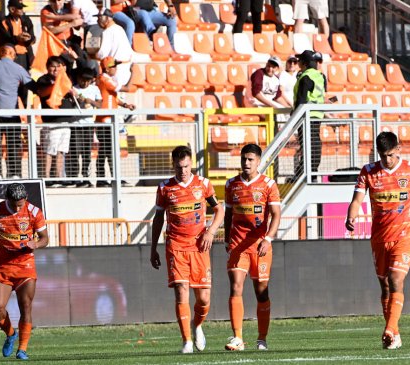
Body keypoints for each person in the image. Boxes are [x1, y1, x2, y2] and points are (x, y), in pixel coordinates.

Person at [345, 131, 410, 350]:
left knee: (395, 279)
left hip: (405, 236)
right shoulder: (368, 172)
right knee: (385, 288)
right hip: (379, 239)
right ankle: (395, 334)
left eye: (390, 155)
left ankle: (389, 329)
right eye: (383, 156)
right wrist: (350, 216)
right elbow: (357, 199)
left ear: (398, 150)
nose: (387, 160)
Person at [150, 145, 224, 353]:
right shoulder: (165, 188)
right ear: (172, 164)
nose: (183, 171)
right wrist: (153, 248)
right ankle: (187, 341)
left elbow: (219, 210)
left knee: (203, 298)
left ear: (191, 163)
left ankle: (197, 325)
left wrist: (210, 232)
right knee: (181, 292)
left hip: (199, 245)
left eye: (186, 166)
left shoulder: (204, 185)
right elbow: (158, 219)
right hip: (175, 245)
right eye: (179, 167)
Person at [0, 183, 49, 360]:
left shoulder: (34, 212)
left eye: (21, 203)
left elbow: (46, 238)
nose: (19, 207)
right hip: (2, 267)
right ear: (7, 199)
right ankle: (10, 334)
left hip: (25, 266)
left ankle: (22, 349)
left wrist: (36, 244)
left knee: (26, 307)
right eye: (16, 204)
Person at [223, 143, 281, 351]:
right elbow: (228, 214)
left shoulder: (268, 185)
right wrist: (228, 237)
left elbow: (276, 215)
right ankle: (237, 337)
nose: (246, 163)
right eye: (243, 159)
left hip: (260, 246)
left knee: (261, 292)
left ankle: (262, 338)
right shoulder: (231, 185)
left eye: (250, 160)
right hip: (238, 245)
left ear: (258, 161)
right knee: (236, 286)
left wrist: (269, 239)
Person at [0, 44, 35, 180]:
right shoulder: (18, 69)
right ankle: (14, 172)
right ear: (13, 55)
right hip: (12, 114)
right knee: (13, 144)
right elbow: (31, 85)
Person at [35, 56, 75, 187]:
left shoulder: (65, 80)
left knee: (61, 151)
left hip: (65, 122)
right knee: (49, 151)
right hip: (52, 122)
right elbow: (42, 92)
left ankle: (59, 178)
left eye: (59, 66)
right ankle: (46, 178)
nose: (56, 69)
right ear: (47, 68)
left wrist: (72, 92)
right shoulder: (43, 80)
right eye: (53, 66)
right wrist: (57, 85)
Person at [96, 56, 136, 187]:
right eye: (114, 66)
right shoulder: (104, 79)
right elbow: (127, 88)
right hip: (105, 121)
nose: (116, 68)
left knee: (109, 150)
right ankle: (105, 178)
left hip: (109, 120)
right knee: (107, 151)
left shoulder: (107, 79)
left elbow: (113, 98)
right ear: (107, 68)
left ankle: (113, 177)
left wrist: (125, 105)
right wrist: (133, 73)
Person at [293, 50, 325, 176]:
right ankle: (311, 171)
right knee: (314, 143)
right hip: (317, 114)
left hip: (306, 116)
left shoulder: (305, 77)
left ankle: (306, 172)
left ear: (304, 63)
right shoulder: (320, 76)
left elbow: (301, 99)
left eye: (299, 61)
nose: (297, 63)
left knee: (307, 145)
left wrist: (294, 116)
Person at [68, 69, 101, 187]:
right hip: (75, 124)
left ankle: (86, 177)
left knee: (86, 152)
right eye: (83, 80)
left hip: (88, 124)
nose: (85, 83)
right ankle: (75, 177)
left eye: (88, 81)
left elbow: (100, 104)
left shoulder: (95, 89)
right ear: (78, 79)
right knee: (75, 152)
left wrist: (91, 101)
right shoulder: (74, 89)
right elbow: (70, 102)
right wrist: (79, 98)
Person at [0, 0, 35, 106]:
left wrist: (28, 38)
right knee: (12, 84)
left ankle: (23, 108)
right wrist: (17, 38)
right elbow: (5, 39)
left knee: (24, 84)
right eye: (19, 8)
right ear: (12, 9)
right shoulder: (4, 21)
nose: (22, 10)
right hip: (11, 57)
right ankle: (13, 109)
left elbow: (33, 37)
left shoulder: (26, 20)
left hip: (24, 56)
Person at [95, 8, 134, 89]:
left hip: (115, 72)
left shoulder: (107, 32)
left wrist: (92, 55)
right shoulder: (119, 28)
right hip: (126, 69)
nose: (97, 20)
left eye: (100, 18)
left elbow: (102, 54)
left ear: (108, 18)